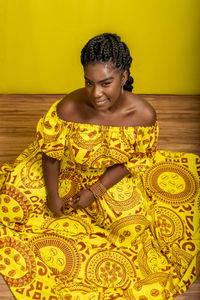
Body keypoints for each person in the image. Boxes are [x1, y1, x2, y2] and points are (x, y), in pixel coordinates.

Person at [0, 33, 199, 300]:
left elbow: (131, 162)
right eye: (89, 82)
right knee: (9, 209)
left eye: (106, 83)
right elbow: (50, 157)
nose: (96, 93)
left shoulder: (143, 115)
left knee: (132, 229)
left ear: (124, 77)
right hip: (65, 168)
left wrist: (95, 191)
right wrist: (52, 196)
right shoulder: (67, 108)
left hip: (108, 177)